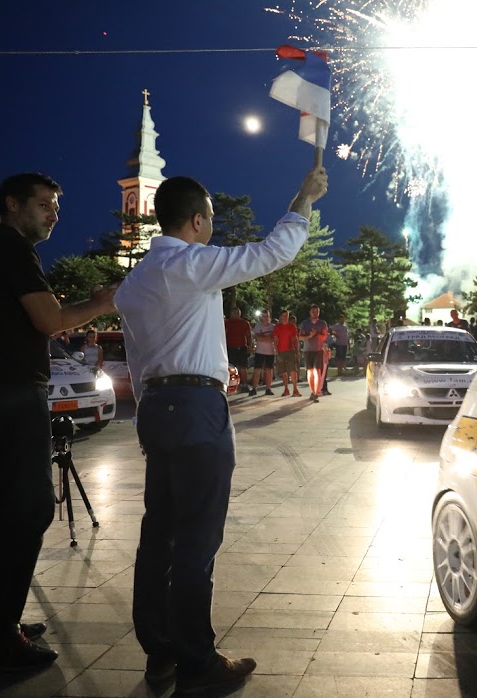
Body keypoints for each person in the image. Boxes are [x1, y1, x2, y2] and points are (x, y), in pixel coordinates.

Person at [113, 165, 328, 693]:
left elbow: (137, 362)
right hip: (195, 406)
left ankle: (160, 652)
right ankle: (197, 662)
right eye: (209, 218)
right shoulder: (190, 263)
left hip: (156, 406)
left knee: (158, 537)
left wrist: (148, 416)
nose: (211, 226)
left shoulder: (135, 281)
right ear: (196, 221)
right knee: (197, 537)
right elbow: (272, 252)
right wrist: (303, 198)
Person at [0, 172, 117, 678]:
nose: (54, 214)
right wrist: (103, 302)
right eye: (44, 204)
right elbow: (50, 320)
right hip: (8, 395)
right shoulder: (10, 249)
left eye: (56, 206)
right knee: (26, 509)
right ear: (12, 204)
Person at [299, 304, 329, 402]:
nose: (315, 313)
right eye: (313, 312)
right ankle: (312, 391)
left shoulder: (322, 323)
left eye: (317, 312)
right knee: (310, 371)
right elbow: (300, 337)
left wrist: (316, 334)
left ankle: (316, 392)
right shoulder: (305, 323)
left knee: (317, 371)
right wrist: (309, 336)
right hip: (307, 350)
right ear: (310, 312)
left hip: (318, 350)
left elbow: (324, 336)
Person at [224, 307, 252, 391]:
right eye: (234, 313)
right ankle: (231, 385)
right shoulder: (227, 323)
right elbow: (224, 334)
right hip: (231, 348)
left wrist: (250, 346)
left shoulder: (244, 323)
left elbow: (248, 335)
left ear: (239, 314)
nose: (235, 314)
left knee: (243, 367)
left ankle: (244, 385)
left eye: (237, 313)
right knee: (232, 367)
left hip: (241, 347)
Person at [273, 310, 300, 397]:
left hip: (291, 350)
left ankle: (295, 389)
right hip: (281, 351)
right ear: (281, 317)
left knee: (293, 370)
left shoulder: (292, 326)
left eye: (286, 316)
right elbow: (276, 339)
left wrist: (297, 351)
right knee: (283, 371)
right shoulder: (277, 327)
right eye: (283, 316)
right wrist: (276, 351)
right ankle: (286, 389)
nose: (285, 317)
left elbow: (295, 339)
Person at [249, 311, 276, 396]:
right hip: (259, 351)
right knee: (257, 370)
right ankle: (254, 388)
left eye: (267, 316)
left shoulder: (273, 326)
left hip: (270, 352)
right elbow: (257, 337)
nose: (265, 318)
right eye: (264, 316)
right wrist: (267, 338)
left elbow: (273, 338)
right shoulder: (258, 326)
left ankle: (268, 388)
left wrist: (264, 338)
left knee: (269, 370)